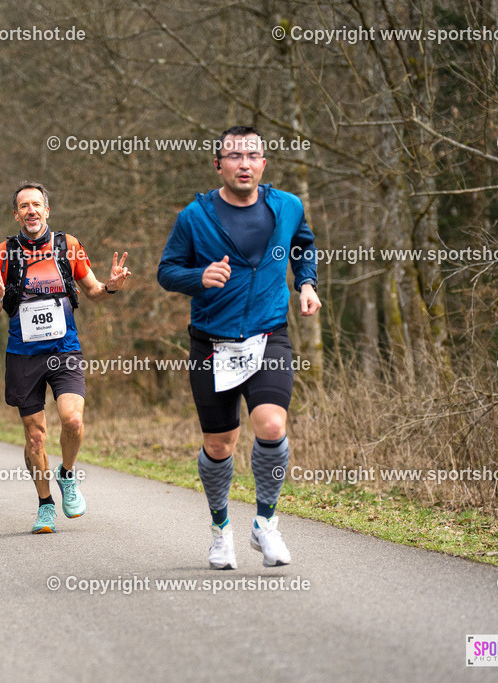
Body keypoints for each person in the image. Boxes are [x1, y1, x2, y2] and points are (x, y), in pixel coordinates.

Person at [157, 125, 321, 569]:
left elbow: (304, 246)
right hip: (212, 344)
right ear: (218, 165)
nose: (243, 163)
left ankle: (265, 523)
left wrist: (306, 283)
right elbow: (167, 271)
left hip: (268, 335)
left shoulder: (286, 206)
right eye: (233, 156)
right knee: (219, 445)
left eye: (252, 155)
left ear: (263, 163)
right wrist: (199, 277)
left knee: (270, 425)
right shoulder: (195, 216)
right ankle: (220, 530)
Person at [0, 181, 130, 534]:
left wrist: (110, 286)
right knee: (35, 436)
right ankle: (45, 504)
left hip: (64, 349)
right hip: (22, 355)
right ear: (16, 213)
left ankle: (67, 474)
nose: (31, 210)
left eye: (37, 204)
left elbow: (93, 291)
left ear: (47, 210)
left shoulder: (69, 246)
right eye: (24, 206)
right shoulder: (2, 253)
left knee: (73, 421)